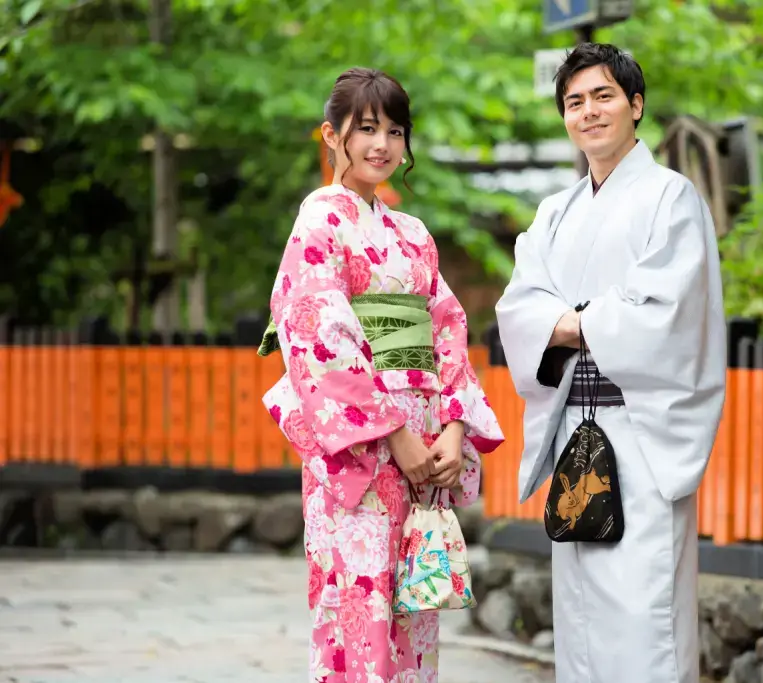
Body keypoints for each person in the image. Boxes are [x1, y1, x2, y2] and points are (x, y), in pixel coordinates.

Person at [259, 67, 504, 683]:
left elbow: (447, 327)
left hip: (423, 440)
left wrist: (452, 426)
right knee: (358, 604)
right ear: (331, 135)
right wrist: (394, 434)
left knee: (413, 610)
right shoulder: (319, 224)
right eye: (366, 128)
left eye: (396, 131)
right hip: (363, 450)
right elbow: (319, 335)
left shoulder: (413, 235)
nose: (382, 145)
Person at [494, 43, 727, 683]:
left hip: (642, 428)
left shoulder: (671, 199)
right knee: (582, 613)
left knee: (643, 610)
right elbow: (518, 310)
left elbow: (664, 314)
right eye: (574, 101)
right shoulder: (554, 213)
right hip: (576, 423)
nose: (589, 112)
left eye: (603, 96)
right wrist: (594, 319)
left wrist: (569, 322)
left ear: (636, 105)